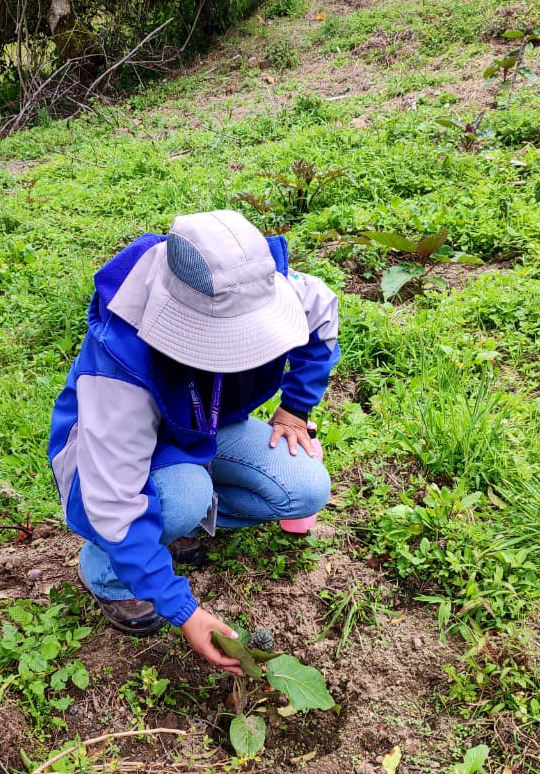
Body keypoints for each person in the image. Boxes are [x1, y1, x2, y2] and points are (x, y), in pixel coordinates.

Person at [48, 210, 340, 673]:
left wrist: (296, 408)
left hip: (206, 423)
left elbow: (322, 312)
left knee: (305, 487)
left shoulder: (261, 278)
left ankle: (174, 525)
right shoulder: (121, 360)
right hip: (120, 458)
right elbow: (112, 500)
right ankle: (105, 571)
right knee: (184, 496)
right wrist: (181, 608)